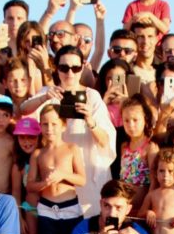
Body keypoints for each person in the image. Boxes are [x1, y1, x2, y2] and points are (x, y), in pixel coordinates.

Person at [22, 45, 114, 218]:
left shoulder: (92, 96)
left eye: (75, 68)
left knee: (88, 231)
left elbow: (105, 141)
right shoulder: (51, 93)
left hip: (88, 172)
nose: (70, 73)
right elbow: (23, 109)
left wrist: (90, 121)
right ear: (56, 68)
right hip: (58, 181)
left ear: (82, 68)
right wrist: (45, 96)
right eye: (64, 67)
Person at [27, 104, 86, 234]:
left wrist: (62, 176)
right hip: (46, 208)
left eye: (53, 123)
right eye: (45, 124)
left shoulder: (71, 148)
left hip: (70, 206)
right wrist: (43, 184)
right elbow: (30, 184)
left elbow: (82, 179)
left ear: (63, 125)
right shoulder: (38, 154)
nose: (49, 128)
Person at [118, 95, 157, 208]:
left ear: (145, 119)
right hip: (124, 206)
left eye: (135, 120)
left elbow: (154, 182)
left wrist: (146, 207)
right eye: (126, 121)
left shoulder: (150, 148)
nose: (131, 125)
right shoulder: (124, 146)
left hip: (141, 207)